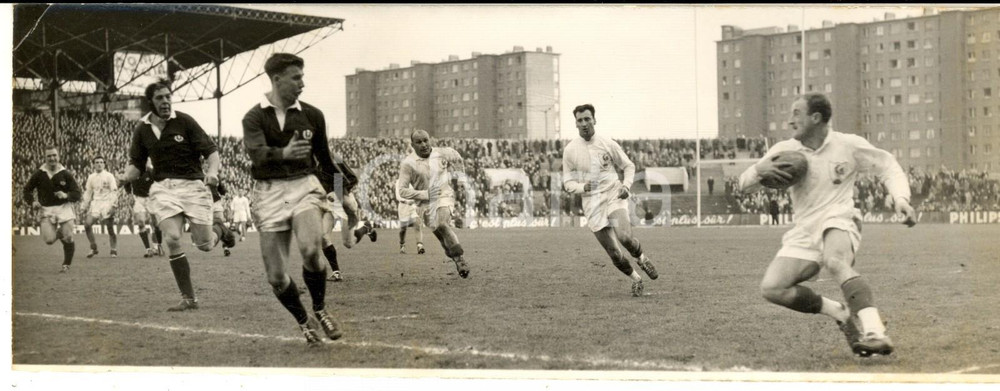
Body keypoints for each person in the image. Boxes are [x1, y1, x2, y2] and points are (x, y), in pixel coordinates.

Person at [738, 93, 916, 357]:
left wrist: (901, 199)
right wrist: (759, 169)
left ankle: (875, 332)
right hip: (804, 229)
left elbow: (887, 166)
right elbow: (744, 186)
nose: (789, 121)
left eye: (796, 113)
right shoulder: (785, 151)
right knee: (773, 288)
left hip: (840, 217)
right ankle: (838, 311)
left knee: (835, 260)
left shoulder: (847, 145)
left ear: (816, 117)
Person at [242, 52, 345, 346]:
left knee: (311, 249)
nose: (303, 83)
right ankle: (303, 320)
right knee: (276, 277)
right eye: (296, 77)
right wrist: (283, 153)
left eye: (302, 76)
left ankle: (321, 309)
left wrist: (341, 196)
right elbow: (257, 154)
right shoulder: (254, 117)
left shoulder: (313, 115)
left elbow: (325, 159)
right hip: (268, 192)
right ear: (277, 79)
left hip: (304, 188)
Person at [123, 80, 236, 312]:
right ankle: (189, 298)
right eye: (159, 98)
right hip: (163, 188)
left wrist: (212, 172)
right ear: (150, 102)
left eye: (168, 96)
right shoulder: (142, 129)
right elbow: (136, 165)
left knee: (204, 244)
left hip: (193, 185)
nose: (165, 101)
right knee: (172, 239)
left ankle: (220, 229)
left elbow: (211, 152)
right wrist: (121, 178)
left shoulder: (184, 121)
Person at [562, 104, 658, 297]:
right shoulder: (570, 150)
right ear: (576, 124)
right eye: (580, 120)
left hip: (614, 194)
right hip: (591, 203)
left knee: (624, 238)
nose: (584, 123)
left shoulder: (608, 143)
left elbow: (628, 166)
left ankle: (641, 258)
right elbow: (567, 181)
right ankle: (637, 280)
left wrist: (626, 185)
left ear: (594, 120)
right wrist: (582, 188)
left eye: (587, 119)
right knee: (614, 253)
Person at [396, 129, 470, 278]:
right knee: (443, 241)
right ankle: (454, 257)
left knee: (442, 224)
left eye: (426, 140)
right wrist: (425, 194)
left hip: (444, 195)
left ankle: (460, 259)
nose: (423, 144)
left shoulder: (443, 153)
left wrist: (461, 179)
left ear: (430, 140)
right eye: (419, 142)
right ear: (412, 145)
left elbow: (457, 158)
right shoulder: (408, 164)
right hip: (424, 204)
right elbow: (402, 190)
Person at [23, 147, 82, 273]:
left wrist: (66, 195)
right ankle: (63, 232)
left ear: (58, 156)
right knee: (49, 240)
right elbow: (26, 190)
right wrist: (32, 201)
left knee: (69, 237)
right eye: (49, 156)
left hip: (64, 208)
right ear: (45, 158)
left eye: (54, 155)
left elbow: (77, 193)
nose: (52, 158)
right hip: (46, 210)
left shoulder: (65, 173)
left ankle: (66, 264)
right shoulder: (39, 174)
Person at [80, 156, 119, 258]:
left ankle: (113, 249)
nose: (99, 164)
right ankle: (94, 247)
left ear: (104, 164)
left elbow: (114, 191)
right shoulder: (91, 177)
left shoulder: (109, 176)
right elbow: (88, 193)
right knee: (87, 225)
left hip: (107, 203)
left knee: (110, 228)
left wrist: (113, 206)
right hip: (96, 203)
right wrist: (84, 206)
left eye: (101, 162)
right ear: (94, 164)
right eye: (97, 162)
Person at [122, 163, 162, 258]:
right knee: (140, 222)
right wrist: (129, 194)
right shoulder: (132, 172)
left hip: (151, 198)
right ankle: (148, 250)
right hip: (139, 199)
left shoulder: (150, 171)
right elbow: (126, 183)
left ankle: (158, 245)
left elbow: (159, 182)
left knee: (156, 223)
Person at [396, 178, 425, 255]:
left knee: (417, 224)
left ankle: (420, 246)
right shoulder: (399, 181)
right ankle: (402, 245)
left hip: (413, 207)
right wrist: (407, 201)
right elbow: (398, 197)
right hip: (403, 207)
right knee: (403, 229)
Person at [208, 176, 233, 257]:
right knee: (209, 226)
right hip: (204, 205)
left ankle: (226, 247)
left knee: (220, 225)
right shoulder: (198, 173)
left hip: (216, 203)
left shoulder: (215, 175)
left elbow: (221, 188)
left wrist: (225, 193)